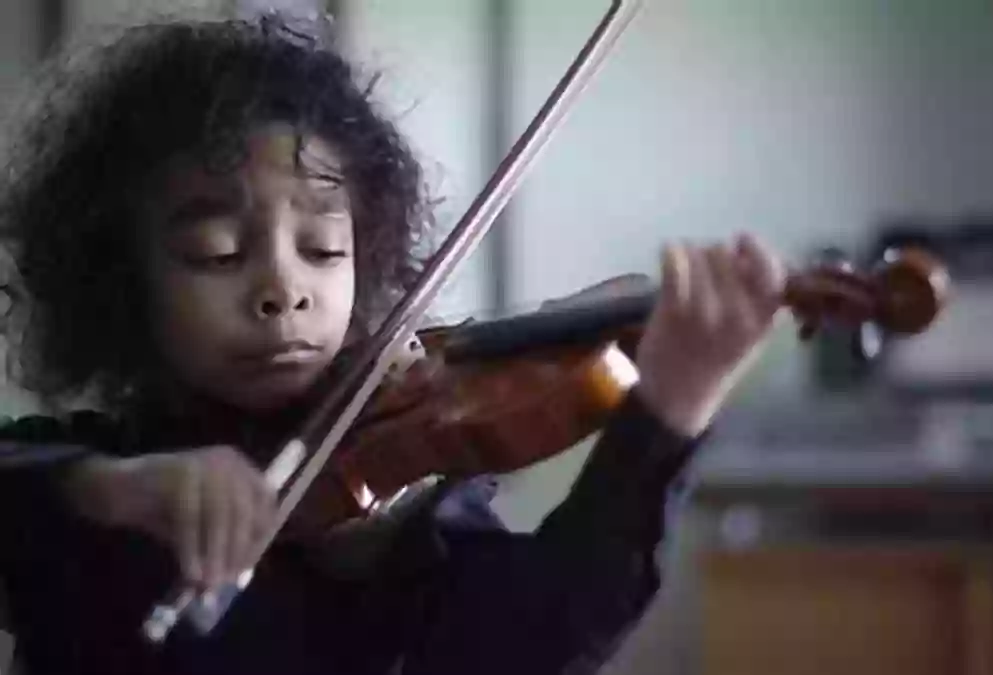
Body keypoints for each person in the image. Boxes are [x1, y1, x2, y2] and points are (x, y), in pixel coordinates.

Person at [0, 13, 785, 675]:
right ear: (121, 280)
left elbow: (546, 629)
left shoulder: (396, 495)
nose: (284, 288)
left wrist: (668, 410)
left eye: (323, 249)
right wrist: (115, 488)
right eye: (218, 252)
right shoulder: (75, 489)